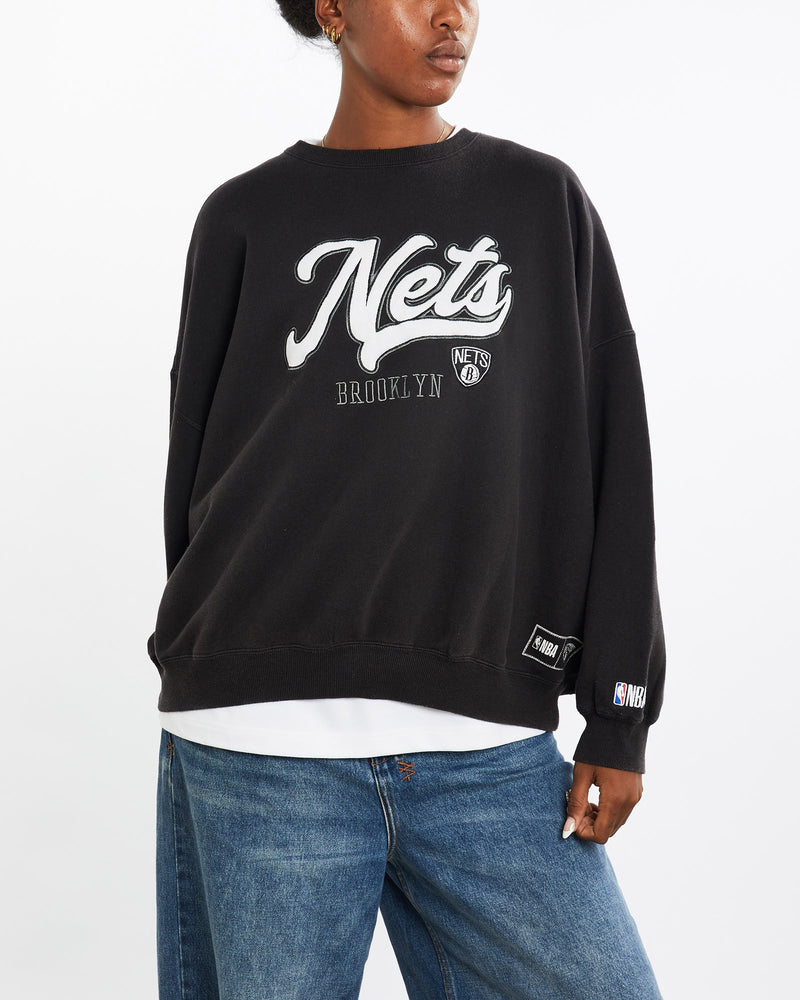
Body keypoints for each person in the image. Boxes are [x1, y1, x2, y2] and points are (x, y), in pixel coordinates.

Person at [147, 1, 667, 997]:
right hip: (261, 747)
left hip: (487, 749)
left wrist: (618, 710)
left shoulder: (538, 202)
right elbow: (197, 475)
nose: (450, 15)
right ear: (332, 10)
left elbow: (615, 455)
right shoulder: (244, 218)